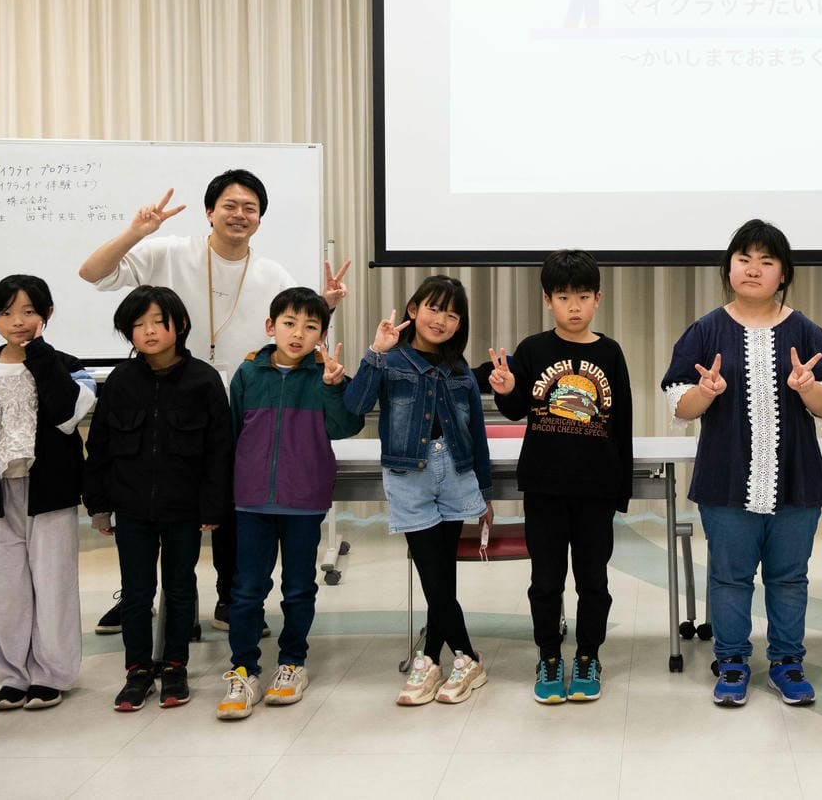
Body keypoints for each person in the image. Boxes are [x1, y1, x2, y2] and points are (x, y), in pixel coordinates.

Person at [78, 168, 350, 636]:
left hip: (236, 411)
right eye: (230, 205)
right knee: (154, 506)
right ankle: (138, 597)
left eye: (250, 208)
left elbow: (299, 325)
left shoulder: (272, 274)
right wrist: (136, 232)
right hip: (167, 402)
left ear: (260, 219)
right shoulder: (168, 251)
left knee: (230, 506)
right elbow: (91, 273)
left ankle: (230, 598)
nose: (239, 214)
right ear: (209, 212)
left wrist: (325, 304)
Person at [661, 219, 822, 707]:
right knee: (729, 578)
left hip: (796, 480)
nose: (753, 269)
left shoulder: (805, 330)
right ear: (728, 267)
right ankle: (731, 661)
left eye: (766, 261)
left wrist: (808, 387)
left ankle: (787, 663)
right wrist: (704, 393)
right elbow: (678, 401)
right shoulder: (706, 330)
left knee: (789, 578)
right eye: (744, 259)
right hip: (725, 481)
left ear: (783, 274)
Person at [0, 275, 96, 711]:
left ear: (47, 314)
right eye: (6, 313)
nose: (17, 321)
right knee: (4, 588)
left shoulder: (68, 366)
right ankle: (12, 676)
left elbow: (68, 415)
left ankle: (51, 675)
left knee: (54, 584)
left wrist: (39, 354)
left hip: (51, 494)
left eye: (28, 311)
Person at [487, 250, 634, 704]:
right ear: (547, 300)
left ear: (598, 299)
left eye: (583, 296)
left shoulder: (610, 352)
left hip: (596, 490)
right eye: (564, 297)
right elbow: (517, 410)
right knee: (546, 581)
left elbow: (622, 423)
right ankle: (549, 656)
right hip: (544, 487)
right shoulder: (534, 349)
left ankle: (588, 655)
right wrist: (507, 390)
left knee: (593, 581)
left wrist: (621, 491)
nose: (574, 306)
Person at [215, 288, 365, 720]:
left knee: (299, 587)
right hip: (251, 502)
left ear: (322, 335)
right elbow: (232, 433)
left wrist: (334, 388)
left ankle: (292, 663)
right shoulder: (248, 372)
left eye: (310, 327)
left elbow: (345, 427)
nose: (298, 334)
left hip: (304, 499)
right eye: (289, 323)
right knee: (246, 590)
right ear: (271, 326)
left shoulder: (325, 375)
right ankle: (243, 670)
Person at [344, 276, 493, 707]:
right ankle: (467, 656)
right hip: (410, 475)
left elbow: (477, 434)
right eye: (434, 308)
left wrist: (484, 493)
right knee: (433, 573)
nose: (441, 320)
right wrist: (375, 352)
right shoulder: (391, 361)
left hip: (457, 472)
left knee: (441, 574)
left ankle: (430, 659)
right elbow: (355, 407)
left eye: (453, 314)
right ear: (413, 309)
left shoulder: (460, 371)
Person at [84, 286, 232, 712]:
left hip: (184, 508)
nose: (148, 331)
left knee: (181, 588)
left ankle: (175, 666)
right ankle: (137, 670)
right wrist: (98, 505)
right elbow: (100, 447)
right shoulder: (120, 381)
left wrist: (213, 506)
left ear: (179, 325)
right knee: (136, 592)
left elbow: (219, 450)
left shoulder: (204, 380)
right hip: (131, 507)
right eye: (138, 324)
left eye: (157, 322)